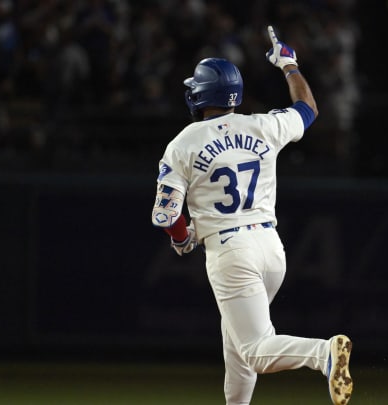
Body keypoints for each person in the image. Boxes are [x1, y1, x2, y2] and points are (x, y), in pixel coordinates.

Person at [151, 26, 353, 405]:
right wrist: (289, 66)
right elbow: (308, 108)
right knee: (237, 349)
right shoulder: (262, 125)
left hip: (231, 252)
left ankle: (323, 353)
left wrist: (181, 238)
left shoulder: (183, 143)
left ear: (199, 94)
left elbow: (166, 216)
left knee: (256, 350)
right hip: (271, 249)